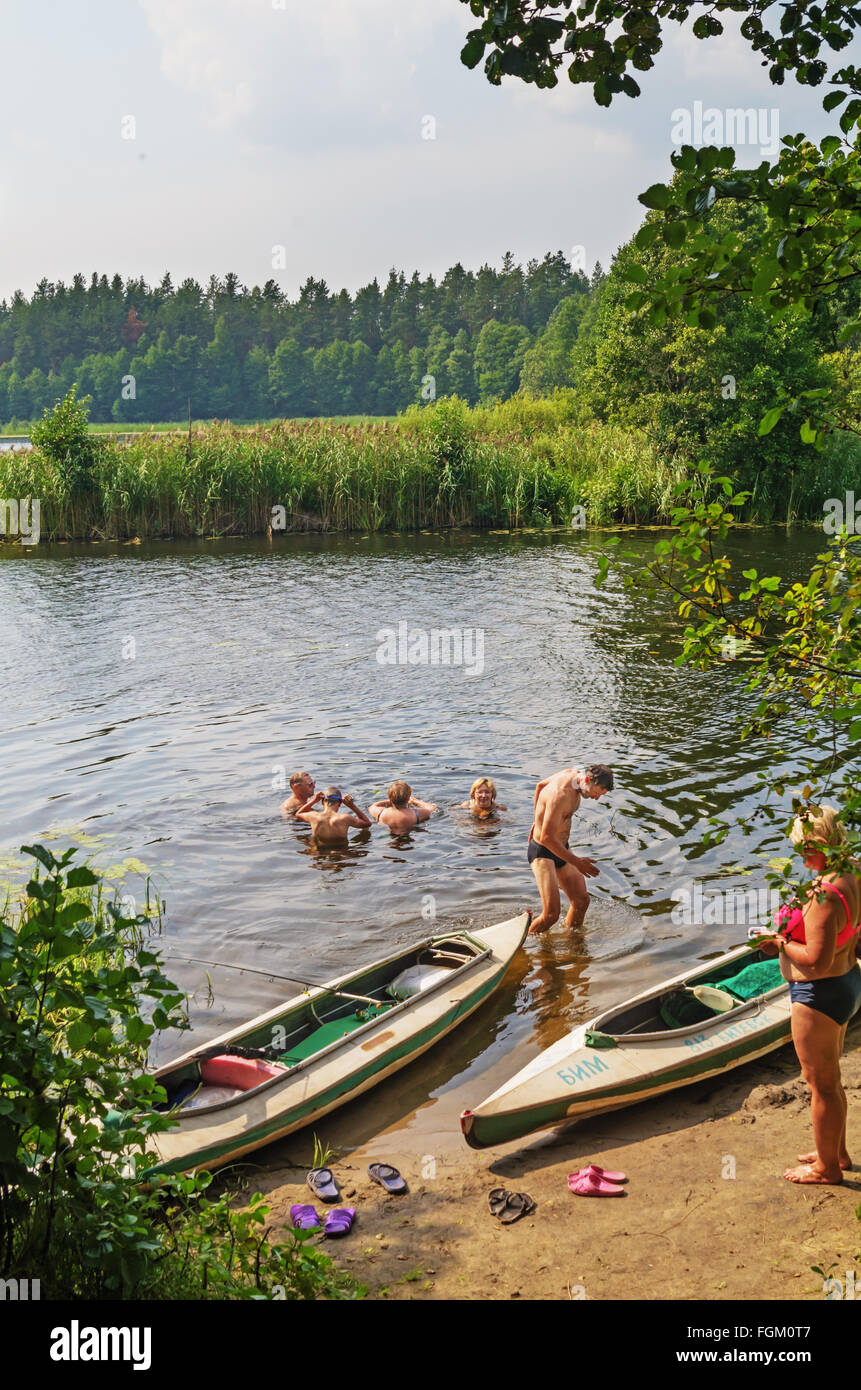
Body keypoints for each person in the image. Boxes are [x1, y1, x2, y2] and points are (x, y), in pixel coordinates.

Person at [758, 806, 861, 1185]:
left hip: (818, 993)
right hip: (847, 983)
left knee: (822, 1087)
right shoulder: (853, 870)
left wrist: (779, 941)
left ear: (819, 843)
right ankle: (838, 1153)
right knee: (831, 1083)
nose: (801, 859)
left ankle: (826, 1170)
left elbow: (815, 963)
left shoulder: (823, 895)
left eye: (804, 850)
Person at [527, 765, 614, 934]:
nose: (596, 798)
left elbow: (540, 785)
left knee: (581, 901)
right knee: (551, 915)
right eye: (597, 793)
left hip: (562, 848)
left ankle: (573, 943)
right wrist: (578, 863)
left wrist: (536, 820)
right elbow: (546, 838)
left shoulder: (572, 774)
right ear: (588, 780)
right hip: (543, 852)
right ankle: (524, 945)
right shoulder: (561, 794)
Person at [295, 786, 372, 844]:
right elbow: (367, 823)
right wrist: (352, 806)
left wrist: (313, 801)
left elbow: (299, 813)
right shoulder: (345, 818)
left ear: (322, 802)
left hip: (320, 855)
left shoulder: (313, 816)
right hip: (340, 853)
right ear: (339, 804)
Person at [369, 781, 437, 832]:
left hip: (388, 834)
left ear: (389, 797)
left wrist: (390, 800)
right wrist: (415, 801)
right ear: (408, 798)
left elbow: (372, 806)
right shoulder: (416, 814)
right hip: (408, 834)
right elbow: (432, 808)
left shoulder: (381, 812)